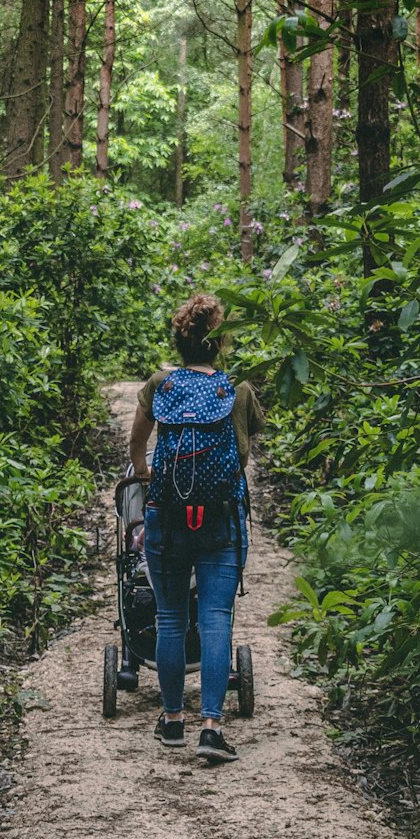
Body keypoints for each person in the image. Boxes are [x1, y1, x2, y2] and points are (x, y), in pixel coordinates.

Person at [129, 293, 264, 764]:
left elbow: (137, 442)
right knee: (214, 620)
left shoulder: (159, 385)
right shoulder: (238, 391)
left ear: (179, 342)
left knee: (170, 619)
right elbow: (244, 452)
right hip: (219, 518)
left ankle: (171, 722)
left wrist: (142, 469)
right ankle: (211, 727)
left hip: (168, 514)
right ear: (219, 344)